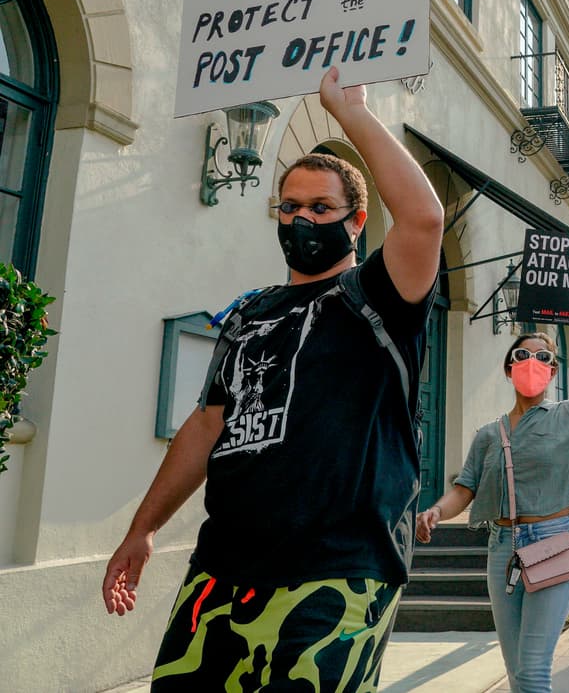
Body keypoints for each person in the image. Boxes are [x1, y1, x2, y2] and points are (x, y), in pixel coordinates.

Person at [102, 67, 445, 690]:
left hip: (339, 574)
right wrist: (142, 528)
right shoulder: (248, 314)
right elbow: (206, 425)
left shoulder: (377, 297)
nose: (302, 219)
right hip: (222, 571)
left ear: (356, 221)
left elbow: (423, 219)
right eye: (289, 207)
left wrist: (352, 114)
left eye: (321, 207)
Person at [416, 318, 569, 693]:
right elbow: (465, 488)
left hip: (552, 542)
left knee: (533, 670)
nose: (532, 362)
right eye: (522, 355)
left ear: (553, 372)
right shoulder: (489, 434)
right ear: (509, 369)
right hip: (502, 549)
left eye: (543, 357)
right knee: (517, 670)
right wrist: (437, 511)